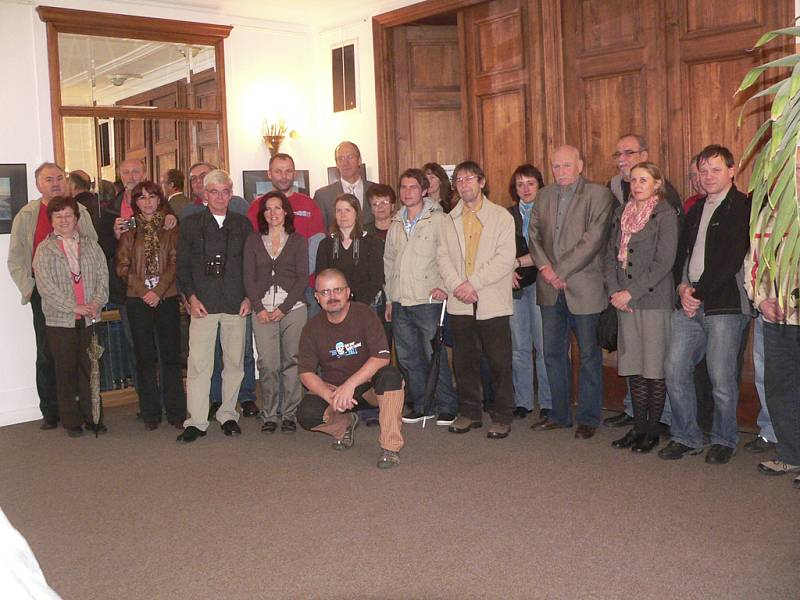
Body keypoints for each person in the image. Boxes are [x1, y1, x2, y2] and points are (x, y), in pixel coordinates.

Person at [660, 145, 751, 464]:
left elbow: (729, 260)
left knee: (721, 378)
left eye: (715, 169)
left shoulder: (743, 206)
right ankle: (686, 435)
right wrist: (682, 287)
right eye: (703, 170)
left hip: (724, 306)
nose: (708, 176)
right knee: (674, 369)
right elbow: (682, 256)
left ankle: (724, 438)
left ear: (732, 170)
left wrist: (695, 293)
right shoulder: (696, 208)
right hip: (689, 305)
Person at [528, 145, 613, 439]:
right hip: (549, 288)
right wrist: (546, 270)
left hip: (584, 287)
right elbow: (533, 235)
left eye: (566, 166)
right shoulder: (543, 195)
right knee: (552, 353)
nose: (560, 172)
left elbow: (593, 241)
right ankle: (560, 414)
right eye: (555, 166)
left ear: (579, 165)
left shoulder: (598, 195)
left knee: (589, 355)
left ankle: (588, 417)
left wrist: (559, 271)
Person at [7, 162, 98, 430]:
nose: (55, 182)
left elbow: (93, 247)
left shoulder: (79, 211)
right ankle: (51, 411)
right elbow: (16, 258)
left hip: (81, 293)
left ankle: (84, 410)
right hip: (44, 295)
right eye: (49, 179)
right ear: (38, 184)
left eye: (60, 177)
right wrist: (30, 287)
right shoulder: (27, 214)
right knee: (48, 353)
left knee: (82, 355)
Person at [604, 133, 681, 430]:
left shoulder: (664, 214)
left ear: (657, 184)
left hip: (652, 301)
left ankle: (651, 430)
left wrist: (629, 293)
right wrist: (615, 291)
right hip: (624, 302)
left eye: (643, 180)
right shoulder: (621, 212)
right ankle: (638, 428)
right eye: (633, 181)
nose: (637, 185)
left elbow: (664, 263)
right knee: (634, 366)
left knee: (653, 369)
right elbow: (609, 256)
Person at [436, 160, 516, 438]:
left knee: (499, 362)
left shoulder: (501, 216)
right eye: (459, 180)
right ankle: (469, 412)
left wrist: (474, 283)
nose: (464, 184)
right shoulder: (449, 219)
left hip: (491, 299)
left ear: (481, 182)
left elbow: (505, 259)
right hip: (460, 301)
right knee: (463, 361)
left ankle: (502, 414)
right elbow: (442, 257)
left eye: (469, 179)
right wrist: (458, 285)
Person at [296, 268, 403, 468]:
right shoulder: (311, 328)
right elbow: (306, 372)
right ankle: (344, 426)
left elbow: (382, 357)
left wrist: (350, 385)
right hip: (336, 391)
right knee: (306, 414)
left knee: (391, 376)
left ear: (348, 292)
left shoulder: (365, 314)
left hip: (369, 385)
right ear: (317, 297)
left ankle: (390, 447)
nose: (332, 296)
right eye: (325, 292)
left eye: (337, 290)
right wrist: (330, 397)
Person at [176, 169, 252, 443]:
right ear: (205, 194)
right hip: (203, 304)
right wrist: (191, 298)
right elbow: (182, 266)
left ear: (231, 194)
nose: (220, 197)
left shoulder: (243, 224)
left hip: (235, 303)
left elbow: (251, 266)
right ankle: (196, 420)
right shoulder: (190, 224)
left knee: (234, 363)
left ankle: (228, 414)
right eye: (214, 192)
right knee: (199, 365)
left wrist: (249, 298)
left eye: (225, 191)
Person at [384, 168, 458, 426]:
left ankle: (447, 405)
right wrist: (389, 298)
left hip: (428, 300)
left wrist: (444, 286)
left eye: (413, 187)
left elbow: (450, 255)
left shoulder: (439, 219)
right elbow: (389, 263)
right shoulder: (396, 222)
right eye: (403, 187)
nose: (407, 192)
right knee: (407, 357)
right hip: (401, 300)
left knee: (433, 354)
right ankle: (421, 404)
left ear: (424, 190)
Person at [32, 195, 108, 437]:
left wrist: (96, 302)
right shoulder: (44, 250)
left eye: (68, 215)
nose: (64, 220)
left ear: (76, 218)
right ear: (51, 220)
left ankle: (93, 417)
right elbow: (46, 288)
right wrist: (74, 307)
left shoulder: (91, 245)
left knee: (91, 370)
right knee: (65, 371)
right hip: (60, 321)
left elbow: (102, 277)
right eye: (58, 216)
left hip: (90, 318)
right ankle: (71, 420)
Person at [115, 181, 186, 430]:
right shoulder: (129, 228)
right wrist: (145, 291)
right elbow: (122, 266)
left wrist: (158, 290)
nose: (147, 202)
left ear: (160, 199)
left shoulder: (171, 226)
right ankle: (150, 413)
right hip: (138, 299)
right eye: (141, 198)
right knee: (145, 358)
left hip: (166, 297)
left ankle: (176, 411)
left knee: (171, 357)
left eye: (152, 197)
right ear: (135, 202)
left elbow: (176, 262)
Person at [746, 167, 800, 488]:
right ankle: (791, 453)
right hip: (775, 319)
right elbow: (751, 263)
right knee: (780, 390)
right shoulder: (766, 217)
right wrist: (762, 300)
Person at [244, 190, 308, 434]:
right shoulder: (252, 240)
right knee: (268, 363)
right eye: (268, 209)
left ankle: (290, 413)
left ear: (286, 212)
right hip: (261, 309)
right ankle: (269, 413)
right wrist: (258, 308)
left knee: (292, 360)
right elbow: (247, 277)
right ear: (263, 213)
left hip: (293, 308)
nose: (273, 213)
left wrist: (284, 308)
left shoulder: (298, 240)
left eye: (278, 208)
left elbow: (303, 278)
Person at [246, 153, 325, 318]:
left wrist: (295, 280)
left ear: (294, 173)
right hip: (265, 290)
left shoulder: (309, 205)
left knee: (304, 341)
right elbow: (252, 252)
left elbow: (317, 246)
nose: (283, 176)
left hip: (306, 288)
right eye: (278, 171)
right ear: (269, 174)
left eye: (288, 171)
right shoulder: (256, 208)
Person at [507, 164, 552, 420]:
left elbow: (547, 251)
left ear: (539, 185)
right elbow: (498, 249)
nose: (525, 189)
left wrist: (517, 262)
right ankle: (523, 401)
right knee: (519, 346)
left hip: (542, 284)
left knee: (543, 346)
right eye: (520, 184)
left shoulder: (549, 212)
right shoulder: (507, 214)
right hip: (514, 285)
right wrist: (507, 269)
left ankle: (547, 401)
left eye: (530, 183)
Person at [315, 194, 384, 308]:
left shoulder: (372, 243)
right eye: (339, 211)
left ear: (356, 213)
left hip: (365, 306)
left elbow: (377, 279)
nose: (343, 215)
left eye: (347, 210)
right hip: (335, 306)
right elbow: (321, 278)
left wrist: (359, 306)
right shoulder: (326, 245)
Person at [313, 141, 376, 230]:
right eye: (341, 158)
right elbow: (320, 231)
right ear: (337, 164)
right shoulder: (323, 196)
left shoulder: (375, 191)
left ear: (359, 161)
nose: (345, 163)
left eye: (350, 157)